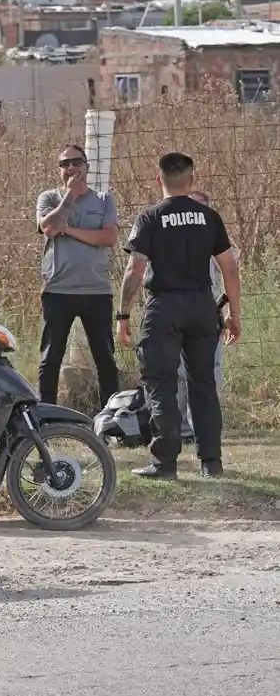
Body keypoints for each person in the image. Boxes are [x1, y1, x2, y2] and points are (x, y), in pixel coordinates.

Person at [117, 152, 241, 479]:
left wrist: (123, 315)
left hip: (165, 307)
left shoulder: (149, 218)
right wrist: (234, 313)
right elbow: (229, 267)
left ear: (159, 179)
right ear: (192, 180)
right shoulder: (209, 216)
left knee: (161, 384)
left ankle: (165, 464)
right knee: (203, 384)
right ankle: (211, 463)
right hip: (203, 305)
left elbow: (135, 270)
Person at [35, 143, 121, 409]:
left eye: (76, 162)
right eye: (65, 164)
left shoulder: (104, 199)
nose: (71, 168)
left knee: (105, 357)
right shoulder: (48, 198)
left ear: (87, 166)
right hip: (58, 289)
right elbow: (48, 227)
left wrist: (69, 230)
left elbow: (108, 237)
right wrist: (68, 197)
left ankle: (112, 418)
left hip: (96, 291)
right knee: (51, 357)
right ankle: (45, 417)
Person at [175, 188, 233, 439]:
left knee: (210, 372)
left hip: (210, 317)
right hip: (175, 316)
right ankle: (178, 426)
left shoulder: (215, 238)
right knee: (177, 373)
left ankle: (204, 428)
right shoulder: (170, 240)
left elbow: (231, 273)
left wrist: (231, 312)